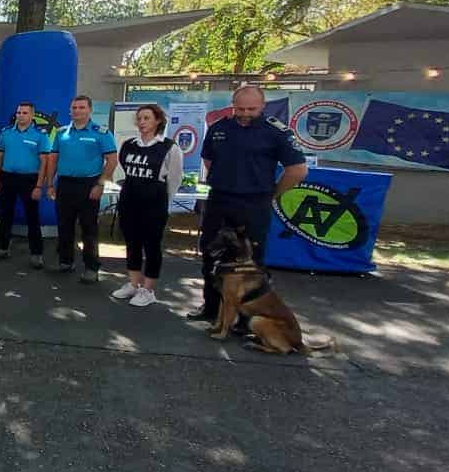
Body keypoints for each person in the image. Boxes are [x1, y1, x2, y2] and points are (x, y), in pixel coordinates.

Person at [188, 85, 308, 324]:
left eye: (251, 109)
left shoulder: (276, 132)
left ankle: (246, 319)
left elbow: (297, 170)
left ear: (263, 106)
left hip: (254, 203)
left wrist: (272, 194)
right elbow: (208, 159)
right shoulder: (219, 128)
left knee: (252, 264)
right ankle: (211, 309)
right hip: (220, 200)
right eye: (239, 108)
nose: (244, 113)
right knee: (211, 255)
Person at [111, 104, 183, 307]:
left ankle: (148, 289)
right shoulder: (128, 144)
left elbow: (175, 179)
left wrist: (163, 200)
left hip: (154, 203)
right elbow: (124, 170)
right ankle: (134, 284)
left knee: (152, 246)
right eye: (139, 118)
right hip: (129, 200)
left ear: (158, 121)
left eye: (147, 118)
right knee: (132, 243)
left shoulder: (169, 147)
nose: (142, 122)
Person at [48, 95, 117, 283]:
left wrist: (100, 184)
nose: (77, 111)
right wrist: (50, 183)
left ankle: (91, 267)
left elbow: (112, 161)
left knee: (89, 228)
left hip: (89, 185)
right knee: (64, 225)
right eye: (74, 108)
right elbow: (53, 159)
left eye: (81, 107)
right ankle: (65, 261)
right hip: (65, 184)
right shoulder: (62, 132)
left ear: (90, 110)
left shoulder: (101, 132)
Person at [0, 101, 52, 269]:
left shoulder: (40, 135)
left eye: (25, 113)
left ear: (32, 115)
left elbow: (44, 162)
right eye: (19, 112)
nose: (21, 115)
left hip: (29, 180)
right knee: (5, 214)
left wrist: (39, 186)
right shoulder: (6, 133)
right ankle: (1, 248)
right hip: (7, 178)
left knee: (32, 217)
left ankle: (36, 254)